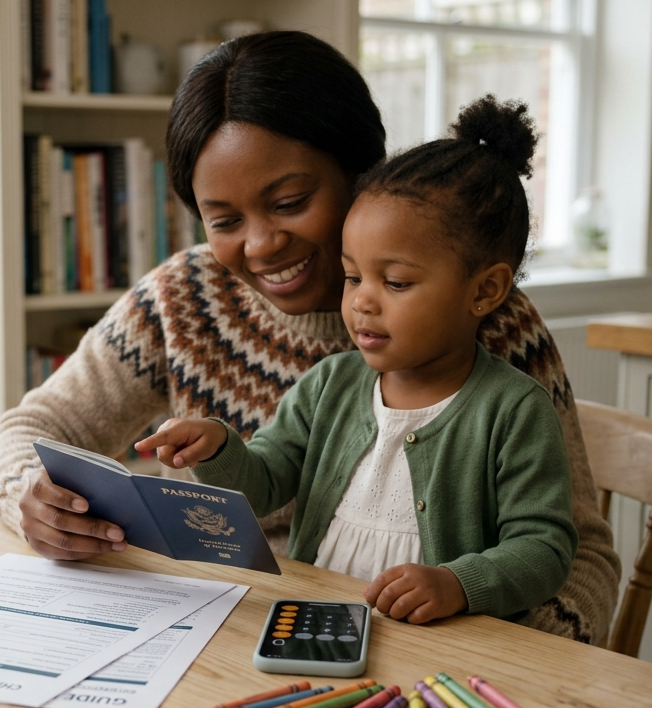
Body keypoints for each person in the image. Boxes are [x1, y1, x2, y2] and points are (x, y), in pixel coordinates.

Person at [0, 31, 620, 642]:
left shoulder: (486, 318)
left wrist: (473, 656)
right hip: (238, 635)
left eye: (289, 201)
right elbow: (33, 427)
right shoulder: (185, 299)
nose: (260, 244)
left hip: (438, 662)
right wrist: (31, 503)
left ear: (360, 173)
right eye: (225, 219)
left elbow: (581, 556)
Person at [135, 96, 576, 623]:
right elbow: (265, 481)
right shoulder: (329, 385)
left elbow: (544, 548)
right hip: (313, 622)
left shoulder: (513, 410)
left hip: (435, 642)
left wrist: (459, 583)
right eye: (352, 276)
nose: (362, 301)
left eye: (395, 282)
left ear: (485, 291)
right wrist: (217, 449)